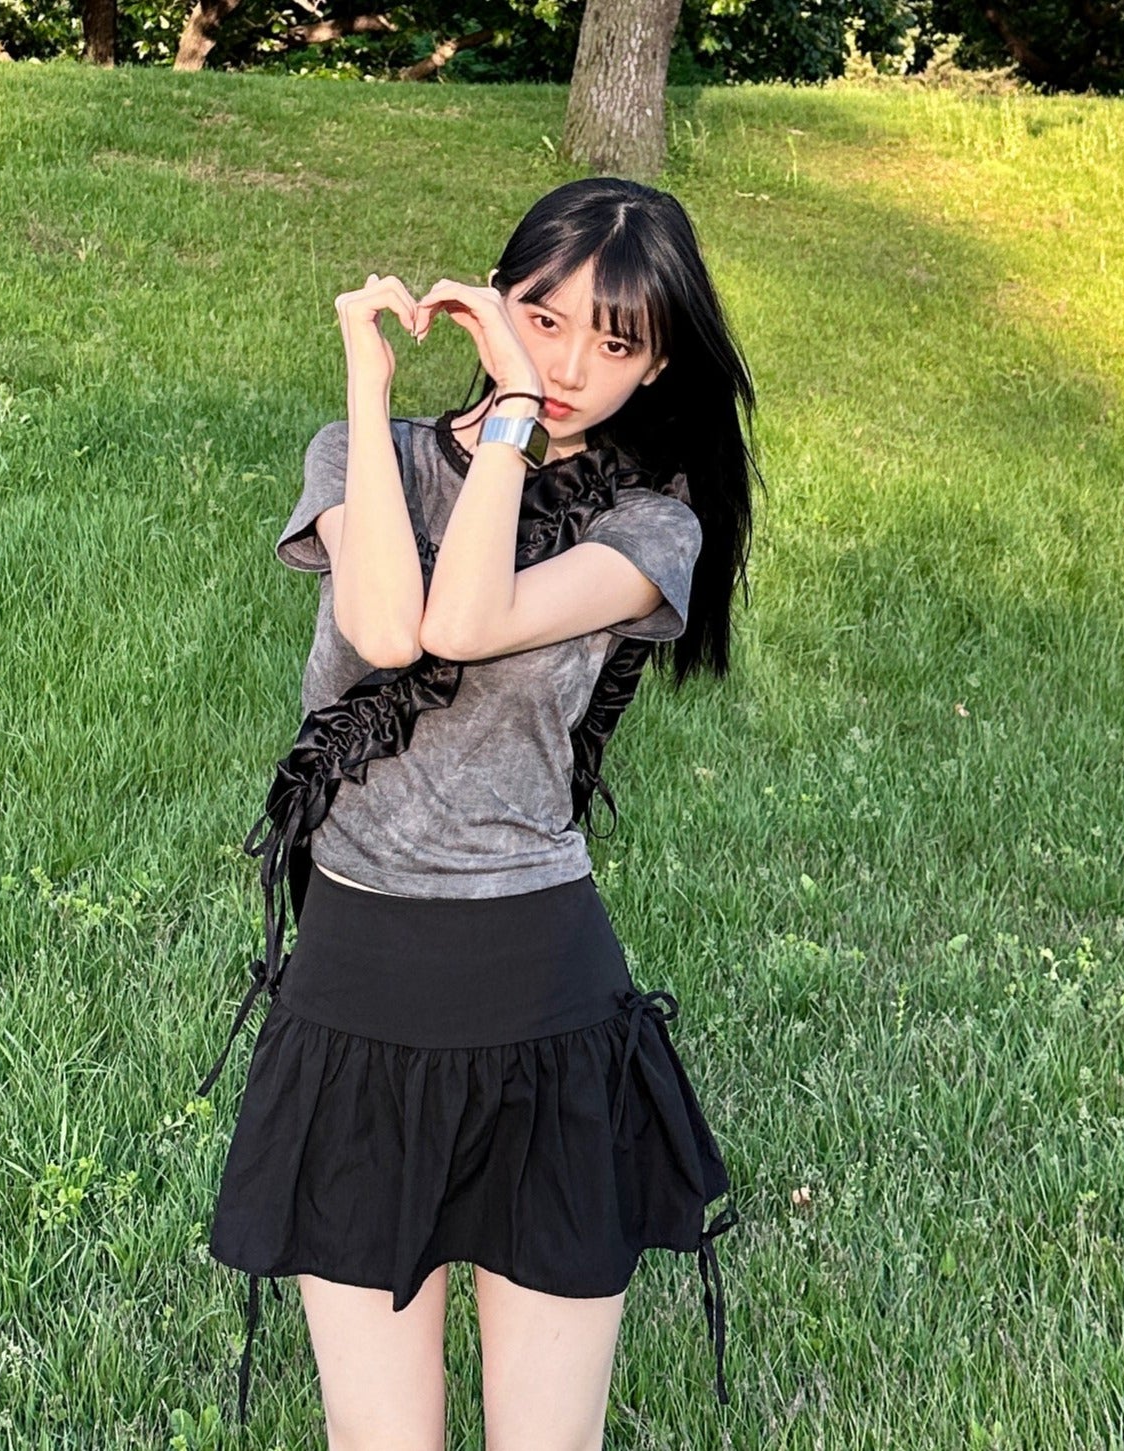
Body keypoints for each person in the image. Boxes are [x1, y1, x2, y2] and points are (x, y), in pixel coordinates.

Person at [205, 175, 758, 1450]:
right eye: (542, 320)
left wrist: (509, 415)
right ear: (491, 302)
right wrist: (365, 383)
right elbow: (386, 626)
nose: (565, 366)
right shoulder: (368, 456)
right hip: (353, 998)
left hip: (538, 1007)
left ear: (656, 363)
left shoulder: (646, 523)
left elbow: (463, 620)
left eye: (612, 343)